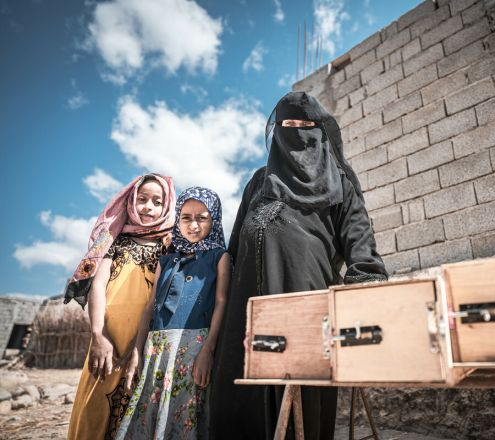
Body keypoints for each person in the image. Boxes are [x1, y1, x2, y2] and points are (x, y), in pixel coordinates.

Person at [210, 91, 388, 440]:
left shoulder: (341, 183)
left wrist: (361, 302)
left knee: (299, 415)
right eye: (288, 124)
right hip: (244, 316)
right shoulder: (260, 182)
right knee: (237, 409)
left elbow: (362, 250)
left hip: (305, 313)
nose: (296, 132)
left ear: (320, 130)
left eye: (305, 125)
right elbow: (231, 253)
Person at [66, 174, 176, 440]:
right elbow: (97, 287)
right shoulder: (112, 239)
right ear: (130, 201)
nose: (148, 207)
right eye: (142, 199)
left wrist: (139, 348)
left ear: (167, 206)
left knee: (133, 406)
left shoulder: (169, 245)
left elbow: (158, 300)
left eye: (157, 202)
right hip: (108, 336)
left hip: (144, 340)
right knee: (95, 406)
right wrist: (98, 336)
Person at [116, 187, 230, 440]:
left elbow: (221, 303)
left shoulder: (219, 258)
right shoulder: (166, 261)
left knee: (184, 415)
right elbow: (150, 307)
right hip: (156, 350)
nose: (194, 225)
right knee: (149, 414)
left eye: (203, 217)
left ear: (215, 220)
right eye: (186, 217)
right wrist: (137, 351)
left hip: (193, 349)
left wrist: (208, 350)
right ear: (177, 220)